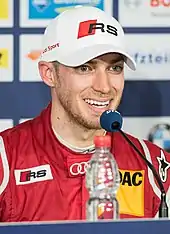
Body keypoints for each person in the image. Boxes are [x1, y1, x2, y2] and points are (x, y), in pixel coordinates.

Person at [0, 6, 169, 222]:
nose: (104, 87)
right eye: (85, 68)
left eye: (114, 68)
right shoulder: (5, 159)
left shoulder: (154, 166)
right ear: (49, 74)